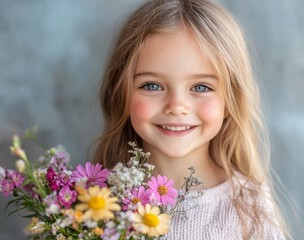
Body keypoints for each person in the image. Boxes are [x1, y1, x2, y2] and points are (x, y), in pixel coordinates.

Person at [93, 0, 290, 239]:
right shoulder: (96, 202)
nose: (176, 106)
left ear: (230, 99)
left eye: (201, 86)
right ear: (121, 93)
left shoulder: (250, 209)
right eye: (152, 85)